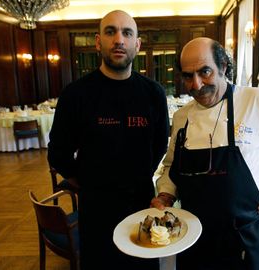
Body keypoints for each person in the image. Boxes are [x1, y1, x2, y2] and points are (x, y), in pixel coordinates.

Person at [151, 37, 259, 269]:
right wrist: (166, 195)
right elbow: (171, 166)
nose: (196, 84)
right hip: (193, 237)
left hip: (243, 238)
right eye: (188, 76)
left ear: (223, 67)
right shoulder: (182, 117)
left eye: (204, 72)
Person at [48, 10, 169, 269]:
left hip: (141, 204)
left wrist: (137, 175)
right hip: (96, 209)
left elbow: (160, 144)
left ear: (136, 44)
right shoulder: (75, 95)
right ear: (97, 41)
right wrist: (89, 183)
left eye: (127, 33)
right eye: (110, 31)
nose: (119, 40)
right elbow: (58, 153)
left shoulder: (153, 93)